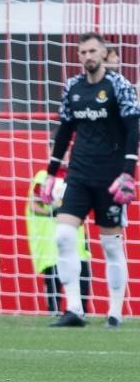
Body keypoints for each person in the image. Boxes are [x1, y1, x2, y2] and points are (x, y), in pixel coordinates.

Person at [40, 32, 138, 329]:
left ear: (104, 54)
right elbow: (65, 132)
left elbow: (134, 130)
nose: (87, 56)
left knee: (110, 245)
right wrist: (50, 174)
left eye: (93, 51)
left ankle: (115, 313)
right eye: (83, 52)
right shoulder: (73, 87)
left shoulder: (119, 86)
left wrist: (128, 174)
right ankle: (74, 310)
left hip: (110, 178)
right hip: (79, 175)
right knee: (63, 236)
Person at [26, 168, 92, 317]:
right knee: (54, 282)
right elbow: (33, 205)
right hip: (51, 243)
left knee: (82, 278)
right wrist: (53, 211)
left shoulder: (76, 175)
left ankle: (81, 313)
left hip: (77, 240)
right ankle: (54, 312)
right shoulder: (43, 177)